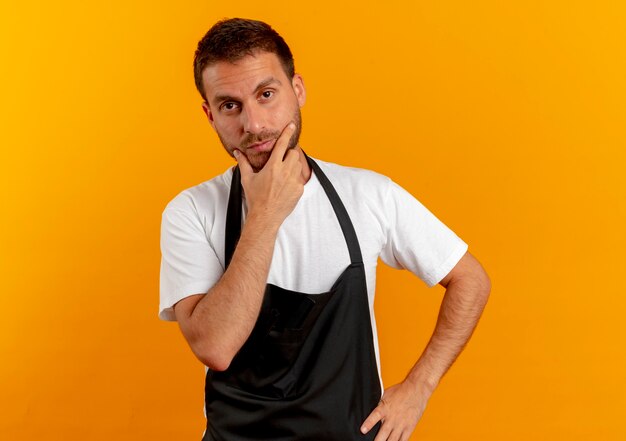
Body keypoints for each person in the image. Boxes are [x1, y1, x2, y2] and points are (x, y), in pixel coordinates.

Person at [159, 17, 491, 441]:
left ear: (297, 90)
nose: (254, 125)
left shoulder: (367, 195)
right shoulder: (191, 212)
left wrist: (418, 388)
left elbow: (471, 280)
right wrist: (264, 214)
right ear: (210, 114)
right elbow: (215, 347)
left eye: (266, 94)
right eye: (230, 105)